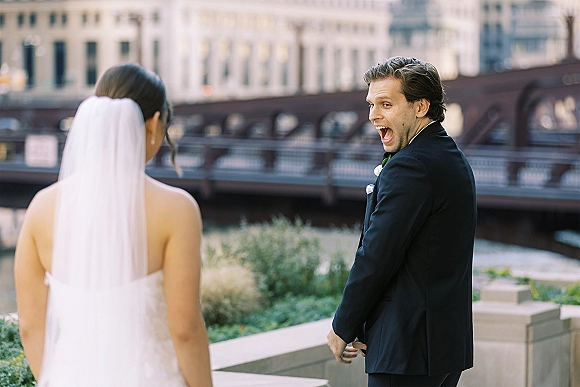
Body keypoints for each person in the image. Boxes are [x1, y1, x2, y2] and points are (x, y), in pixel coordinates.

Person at [14, 64, 213, 387]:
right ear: (153, 124)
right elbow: (185, 329)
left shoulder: (42, 208)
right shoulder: (176, 210)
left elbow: (30, 327)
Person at [327, 56, 477, 387]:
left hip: (405, 349)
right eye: (371, 104)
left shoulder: (410, 167)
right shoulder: (450, 157)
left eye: (386, 104)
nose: (373, 115)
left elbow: (377, 255)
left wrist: (343, 326)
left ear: (420, 106)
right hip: (442, 346)